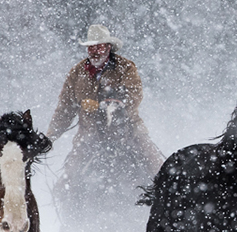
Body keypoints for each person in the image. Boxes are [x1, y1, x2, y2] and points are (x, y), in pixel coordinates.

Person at [47, 24, 163, 176]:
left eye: (98, 47)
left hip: (129, 131)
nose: (94, 51)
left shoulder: (126, 67)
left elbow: (134, 95)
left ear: (108, 47)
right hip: (88, 135)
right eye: (91, 47)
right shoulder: (76, 73)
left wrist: (108, 103)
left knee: (155, 165)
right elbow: (64, 109)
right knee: (69, 176)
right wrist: (50, 137)